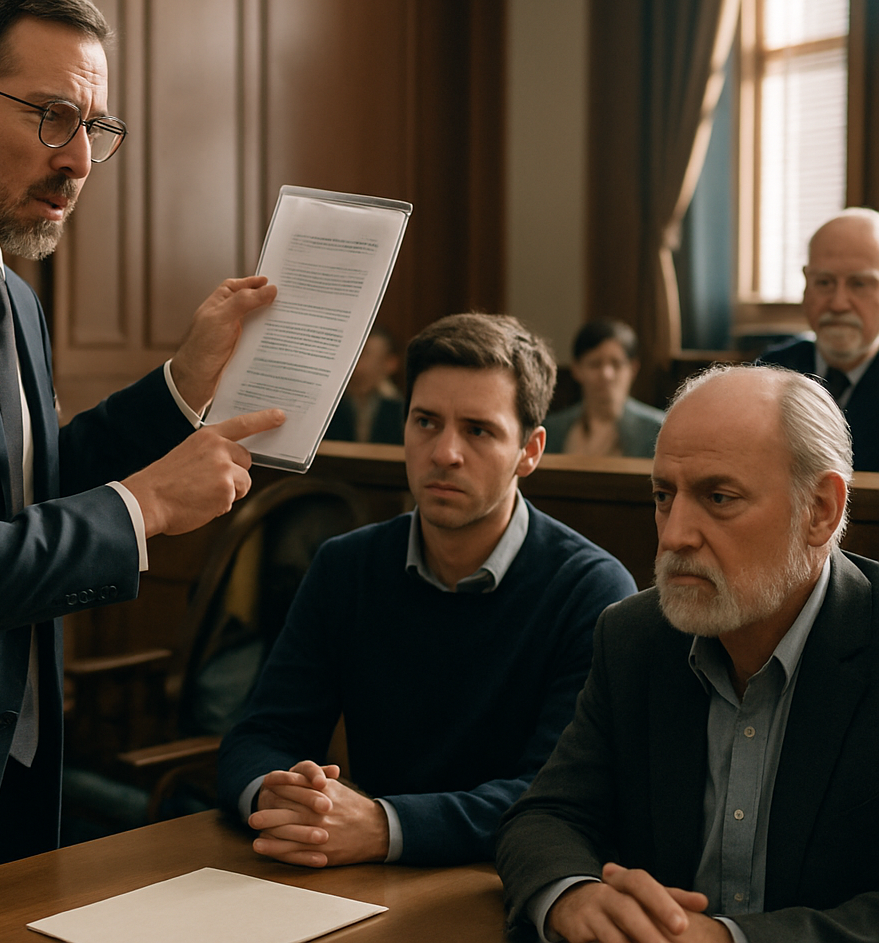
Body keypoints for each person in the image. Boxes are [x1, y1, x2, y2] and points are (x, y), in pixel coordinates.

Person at [0, 0, 285, 899]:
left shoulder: (10, 292)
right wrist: (142, 511)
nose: (79, 160)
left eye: (95, 127)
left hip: (14, 778)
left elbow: (26, 491)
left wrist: (181, 384)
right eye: (51, 116)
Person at [217, 313, 637, 868]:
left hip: (505, 885)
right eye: (426, 422)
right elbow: (259, 735)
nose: (444, 453)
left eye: (478, 431)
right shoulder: (346, 566)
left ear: (530, 450)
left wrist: (383, 826)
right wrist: (280, 795)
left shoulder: (590, 590)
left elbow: (554, 796)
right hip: (353, 875)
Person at [496, 364, 878, 943]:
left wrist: (727, 939)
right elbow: (545, 818)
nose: (674, 535)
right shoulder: (633, 637)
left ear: (821, 510)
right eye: (663, 496)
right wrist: (574, 895)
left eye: (718, 497)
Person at [760, 207, 879, 470]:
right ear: (805, 287)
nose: (838, 304)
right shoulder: (768, 375)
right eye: (824, 282)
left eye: (859, 284)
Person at [543, 318, 664, 458]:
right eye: (595, 364)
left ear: (633, 369)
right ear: (576, 369)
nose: (606, 374)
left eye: (616, 364)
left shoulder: (658, 430)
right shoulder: (551, 430)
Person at [324, 326, 404, 444]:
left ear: (390, 363)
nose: (357, 365)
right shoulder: (331, 404)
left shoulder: (400, 409)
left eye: (366, 354)